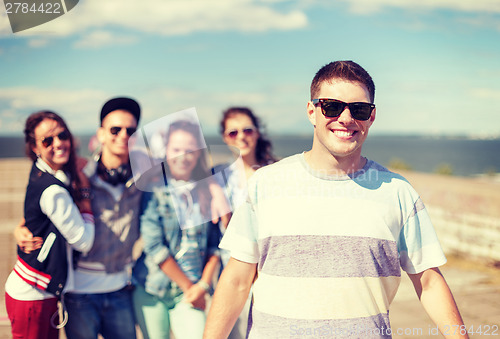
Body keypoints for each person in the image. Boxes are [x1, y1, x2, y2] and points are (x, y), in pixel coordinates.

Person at [204, 60, 469, 339]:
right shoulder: (265, 184)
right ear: (311, 111)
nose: (346, 118)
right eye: (331, 106)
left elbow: (428, 282)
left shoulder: (398, 192)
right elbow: (236, 281)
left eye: (359, 109)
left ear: (372, 116)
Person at [5, 111, 95, 339]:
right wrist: (84, 196)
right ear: (35, 148)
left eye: (62, 135)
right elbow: (84, 241)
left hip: (38, 290)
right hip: (33, 294)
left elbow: (36, 214)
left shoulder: (44, 172)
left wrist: (21, 226)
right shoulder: (53, 190)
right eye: (47, 140)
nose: (58, 143)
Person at [132, 120, 221, 338]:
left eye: (190, 150)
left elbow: (215, 246)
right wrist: (190, 287)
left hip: (191, 292)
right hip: (152, 288)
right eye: (176, 149)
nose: (183, 156)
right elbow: (155, 247)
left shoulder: (209, 190)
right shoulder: (153, 190)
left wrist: (202, 285)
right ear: (166, 151)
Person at [213, 107, 277, 339]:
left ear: (257, 133)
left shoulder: (276, 173)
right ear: (224, 138)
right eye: (233, 133)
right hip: (229, 271)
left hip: (267, 272)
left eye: (247, 130)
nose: (241, 136)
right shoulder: (218, 176)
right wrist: (213, 189)